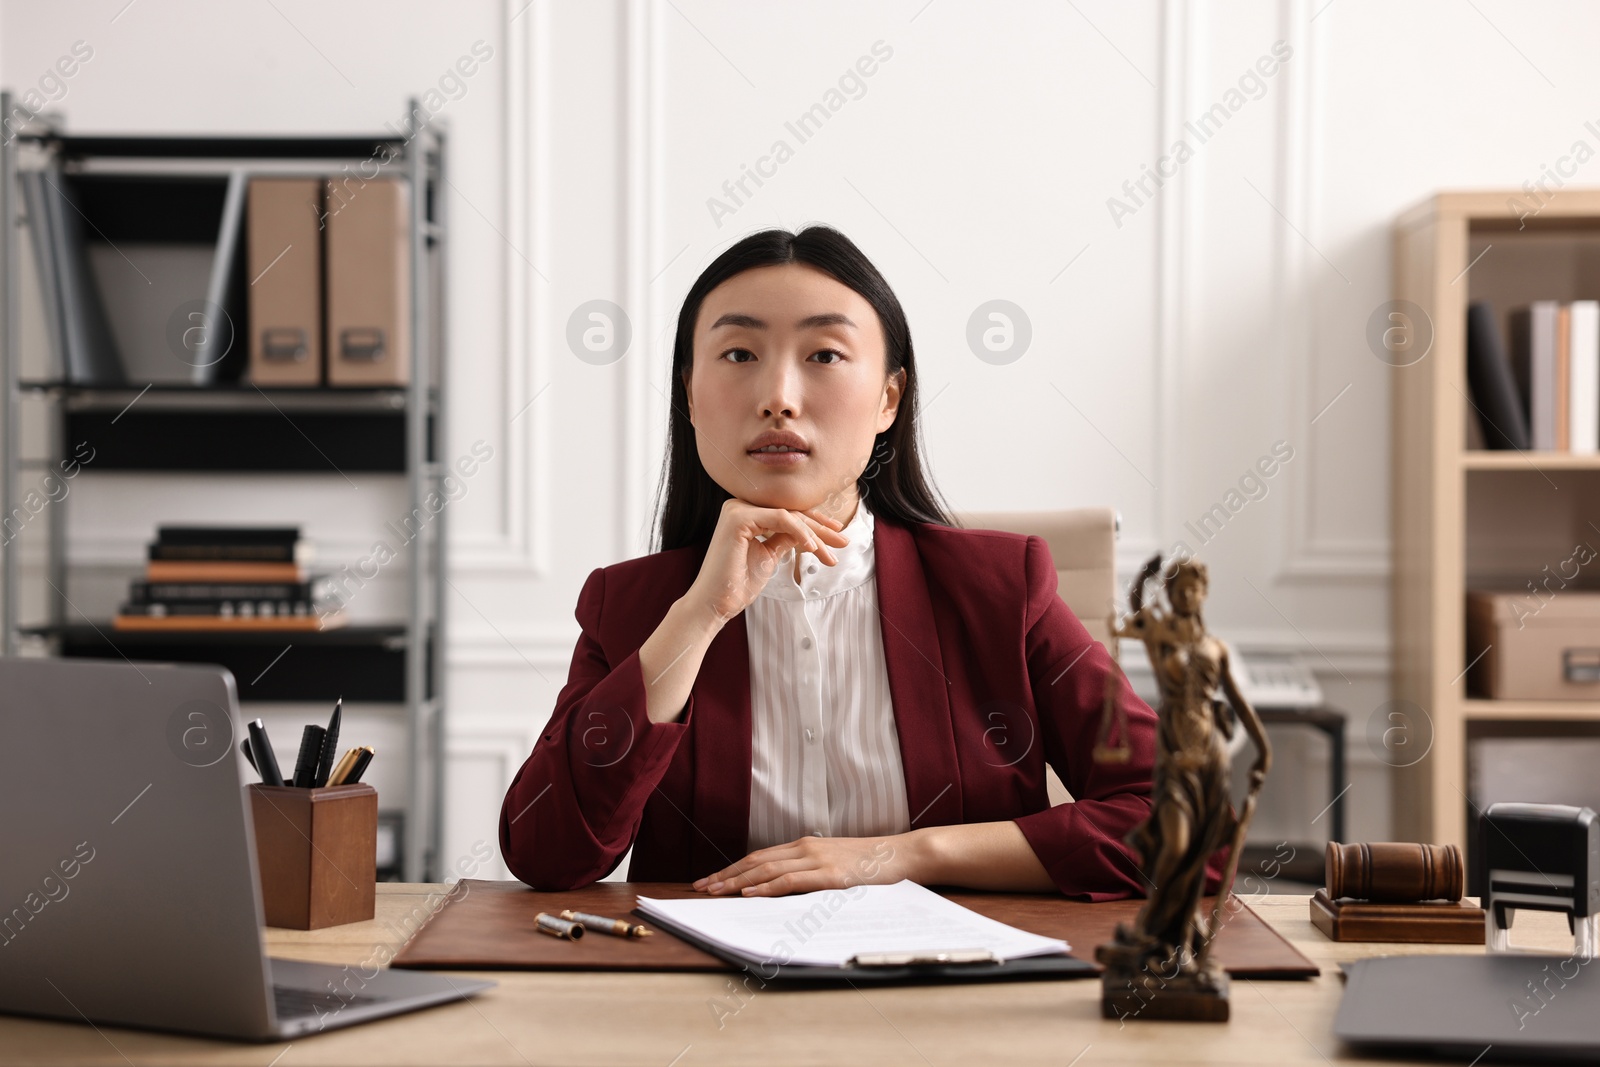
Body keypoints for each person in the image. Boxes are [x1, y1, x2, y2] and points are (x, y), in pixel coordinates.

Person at [498, 224, 1159, 900]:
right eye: (737, 353)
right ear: (691, 396)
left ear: (888, 399)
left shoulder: (1000, 588)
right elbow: (545, 852)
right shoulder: (634, 607)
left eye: (823, 354)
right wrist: (699, 616)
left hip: (953, 992)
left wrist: (906, 854)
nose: (778, 395)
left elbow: (1180, 820)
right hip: (702, 997)